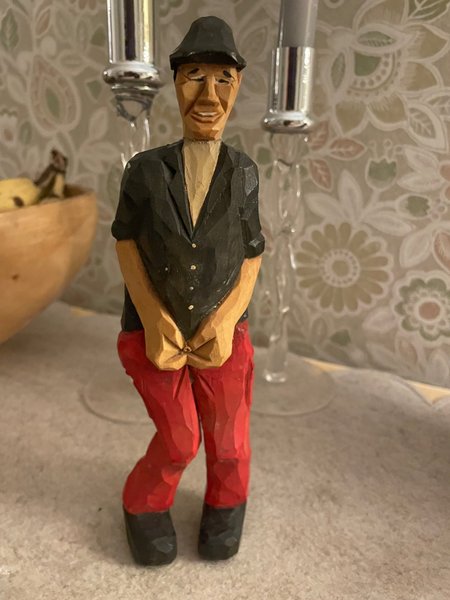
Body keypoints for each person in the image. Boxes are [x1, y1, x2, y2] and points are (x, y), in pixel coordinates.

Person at [111, 15, 265, 565]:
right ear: (176, 84)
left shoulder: (244, 173)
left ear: (238, 88)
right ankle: (142, 503)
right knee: (179, 440)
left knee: (230, 439)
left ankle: (227, 503)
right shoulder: (145, 171)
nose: (209, 95)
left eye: (223, 79)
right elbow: (126, 243)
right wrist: (154, 318)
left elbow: (252, 253)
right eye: (195, 77)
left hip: (223, 335)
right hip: (156, 336)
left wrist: (225, 321)